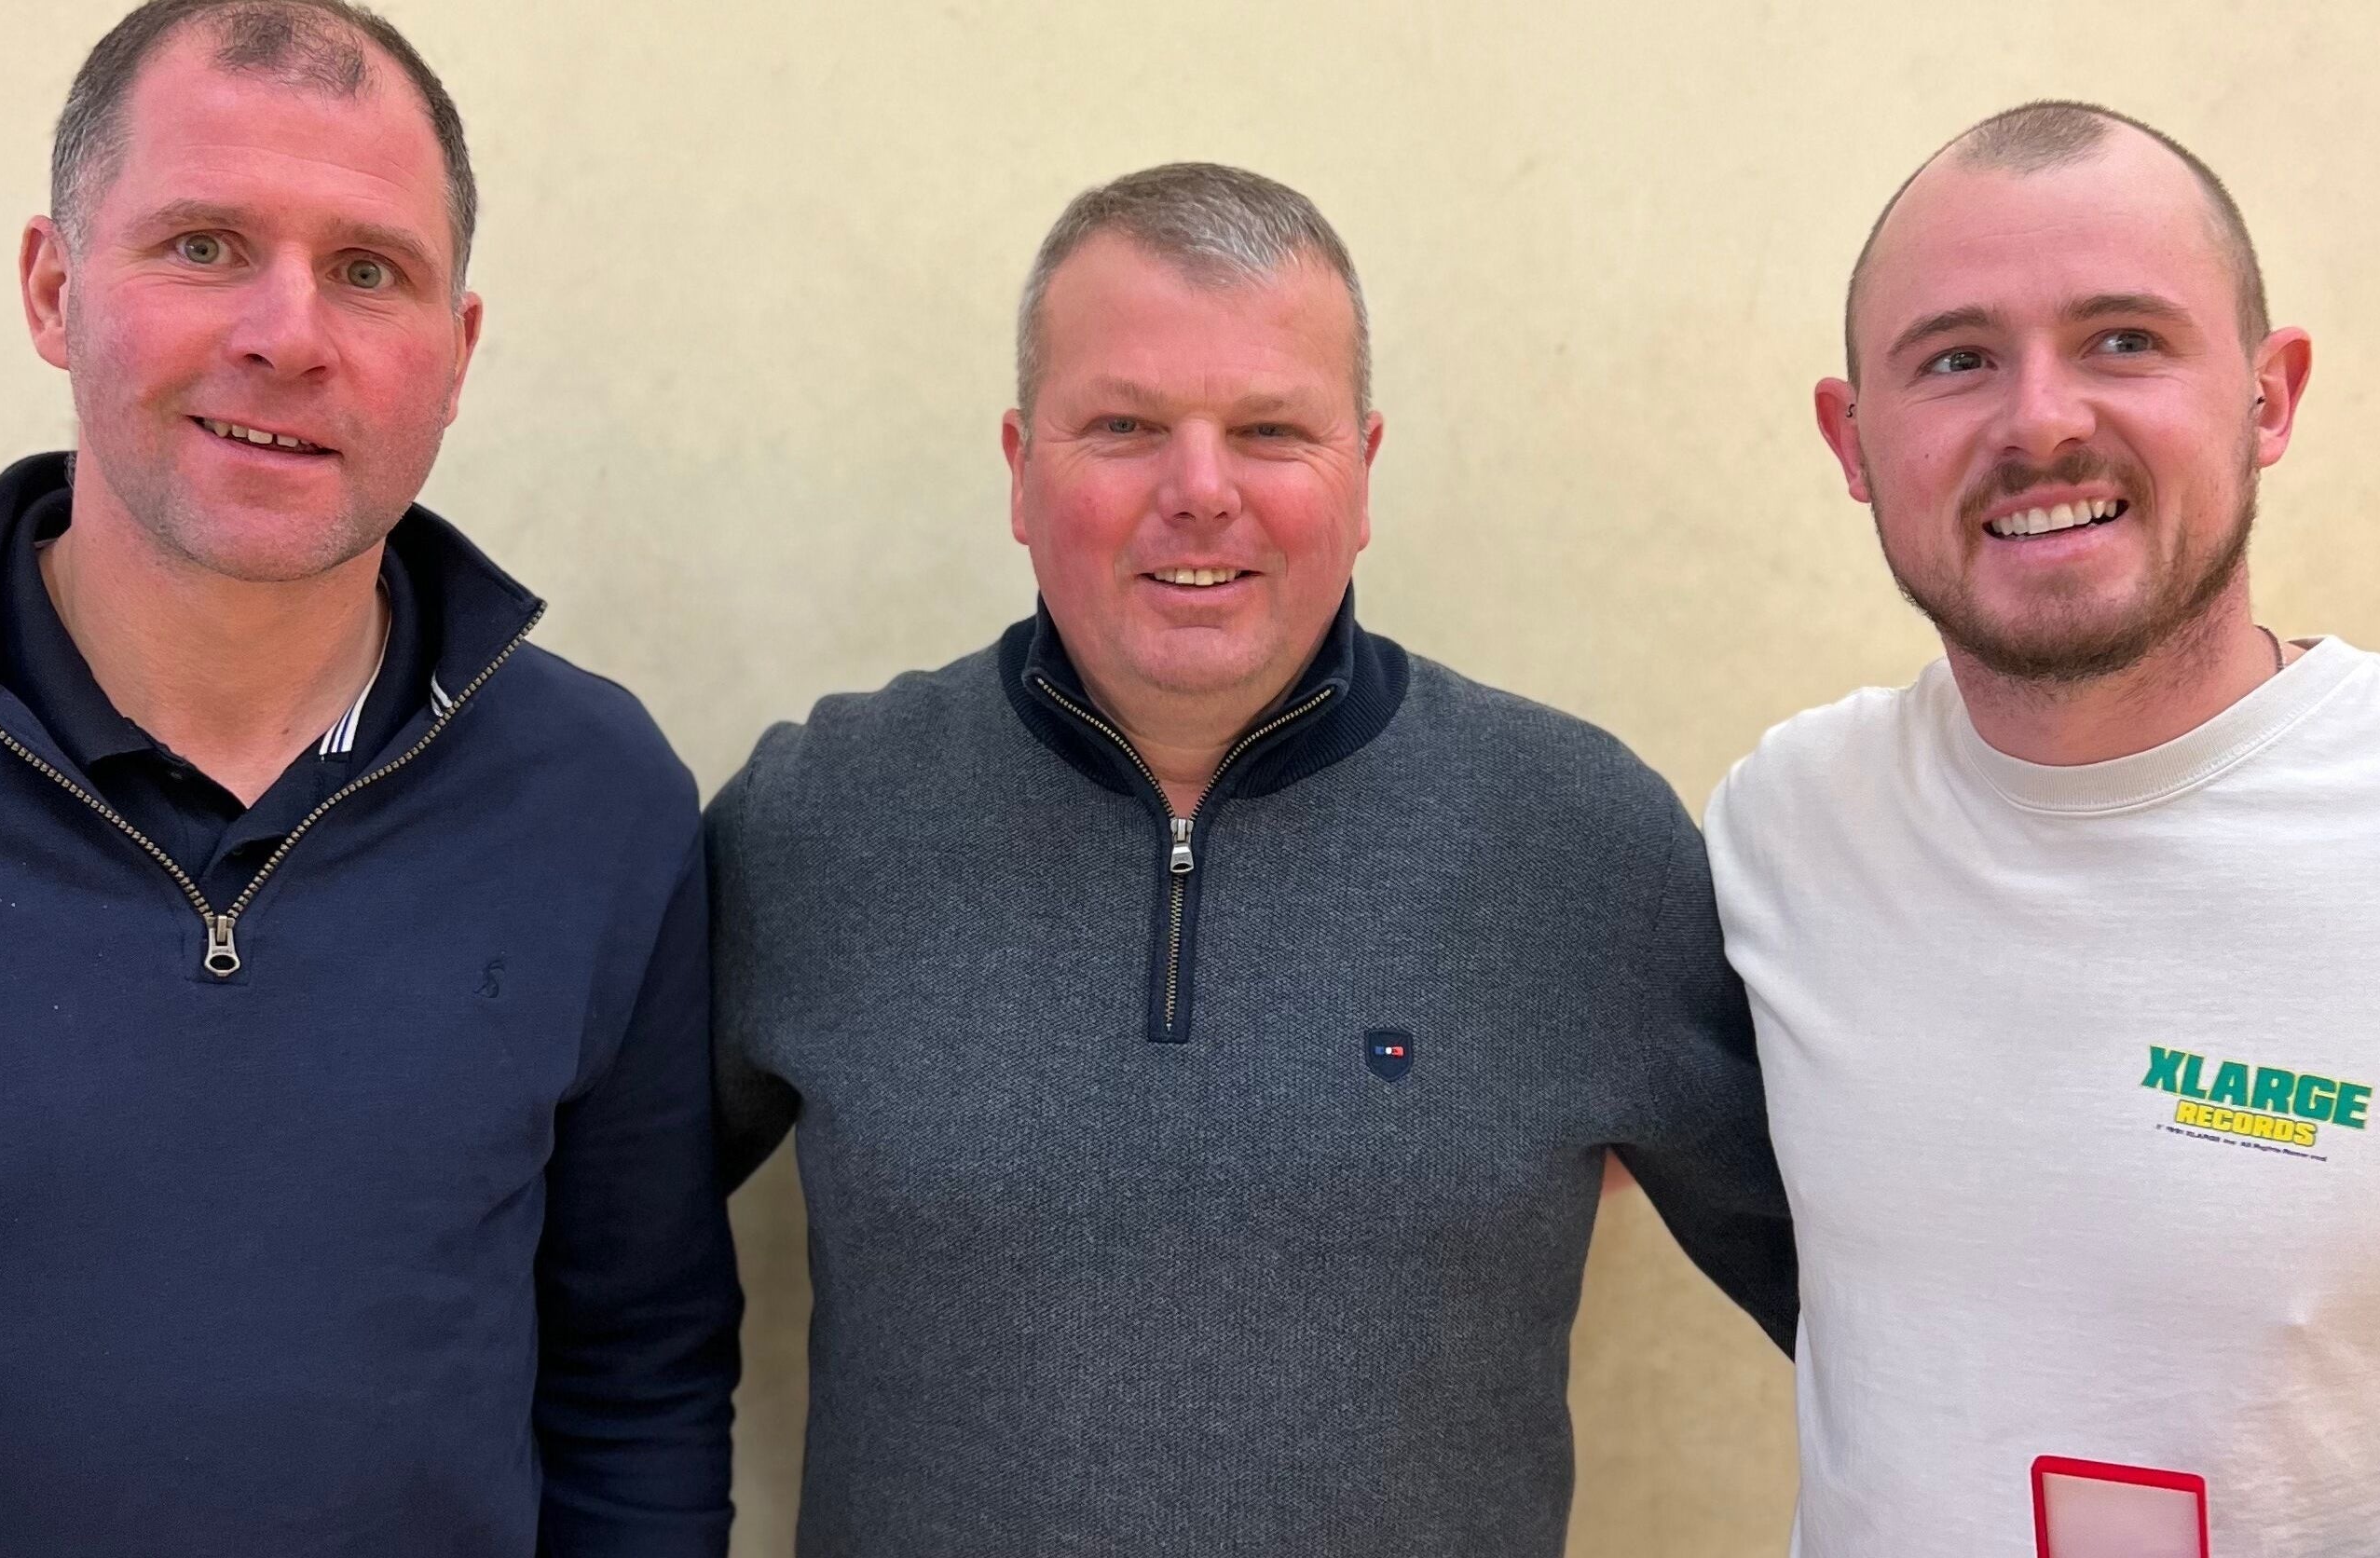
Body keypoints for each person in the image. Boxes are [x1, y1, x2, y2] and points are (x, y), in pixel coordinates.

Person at [0, 3, 738, 1552]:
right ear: (55, 292)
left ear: (455, 355)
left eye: (369, 268)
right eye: (202, 246)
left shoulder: (598, 802)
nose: (288, 334)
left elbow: (636, 1382)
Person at [709, 161, 1795, 1557]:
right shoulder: (818, 820)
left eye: (1273, 430)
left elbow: (1874, 1310)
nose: (1201, 491)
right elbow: (594, 1276)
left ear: (1362, 472)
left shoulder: (1580, 844)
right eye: (1124, 425)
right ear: (1020, 470)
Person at [1706, 100, 2380, 1556]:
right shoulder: (1786, 826)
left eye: (2125, 341)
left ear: (2269, 397)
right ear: (1854, 440)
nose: (2041, 422)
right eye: (1957, 360)